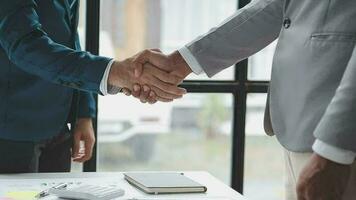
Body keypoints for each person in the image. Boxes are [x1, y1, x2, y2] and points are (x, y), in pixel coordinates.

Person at [125, 0, 356, 199]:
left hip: (337, 132)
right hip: (300, 125)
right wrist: (180, 62)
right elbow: (275, 7)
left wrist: (335, 148)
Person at [0, 0, 184, 173]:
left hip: (59, 124)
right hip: (12, 128)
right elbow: (24, 44)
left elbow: (70, 38)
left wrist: (83, 113)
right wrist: (116, 72)